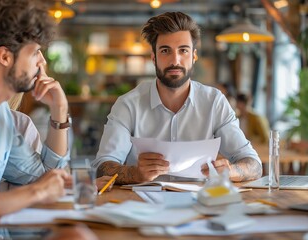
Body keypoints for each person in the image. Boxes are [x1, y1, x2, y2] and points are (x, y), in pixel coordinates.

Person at [92, 12, 262, 184]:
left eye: (183, 50)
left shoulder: (214, 102)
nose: (175, 60)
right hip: (143, 205)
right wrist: (135, 173)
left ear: (194, 56)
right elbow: (102, 167)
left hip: (200, 205)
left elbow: (254, 165)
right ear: (153, 57)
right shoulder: (128, 104)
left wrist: (231, 171)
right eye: (165, 51)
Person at [0, 0, 72, 219]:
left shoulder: (1, 117)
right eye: (35, 52)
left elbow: (44, 176)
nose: (42, 62)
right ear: (5, 57)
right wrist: (39, 191)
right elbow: (41, 186)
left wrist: (59, 109)